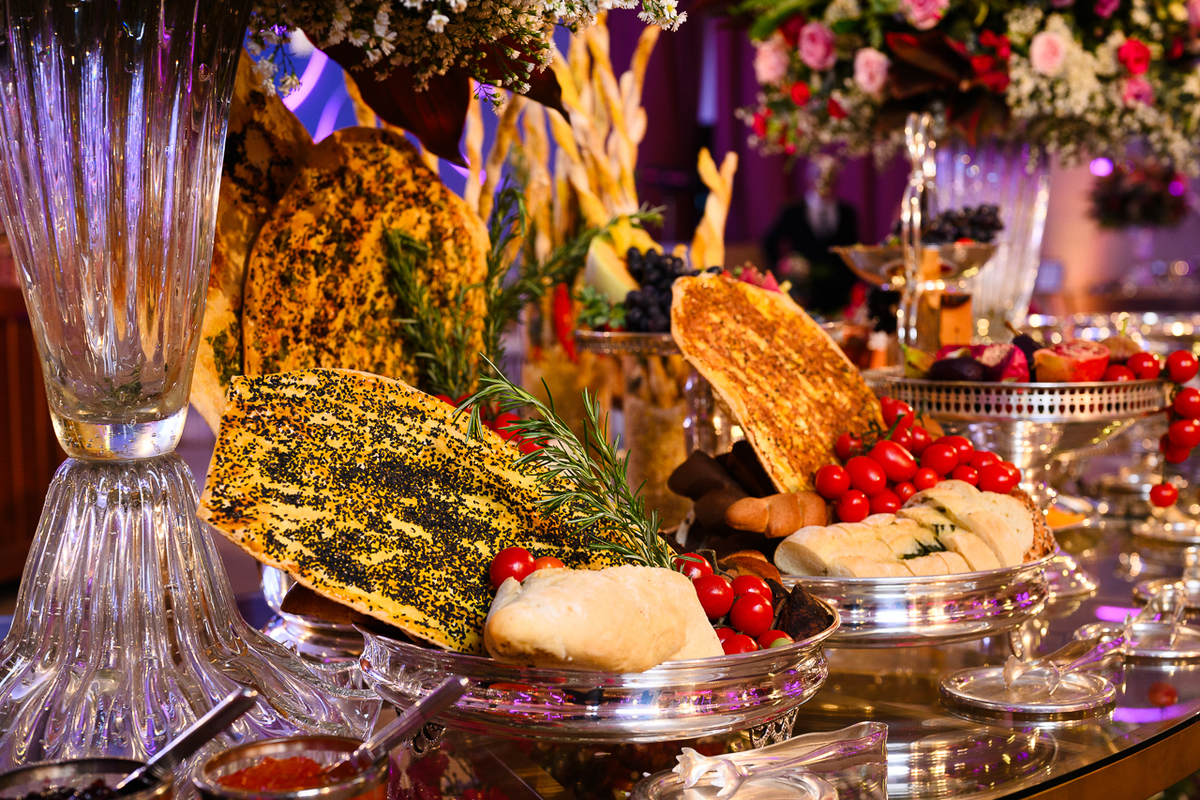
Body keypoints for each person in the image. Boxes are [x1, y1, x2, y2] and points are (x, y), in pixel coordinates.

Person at [761, 155, 861, 315]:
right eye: (819, 176)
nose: (824, 182)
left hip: (840, 294)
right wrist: (782, 267)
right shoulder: (793, 211)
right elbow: (769, 241)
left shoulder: (847, 213)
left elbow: (854, 248)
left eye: (830, 177)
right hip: (804, 293)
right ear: (809, 178)